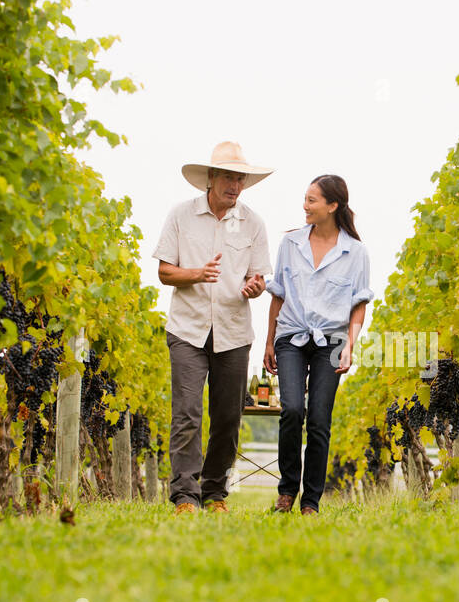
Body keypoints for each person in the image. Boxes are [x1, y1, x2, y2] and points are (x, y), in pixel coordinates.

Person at [154, 142, 273, 515]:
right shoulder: (180, 216)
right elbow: (164, 271)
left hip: (234, 332)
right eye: (228, 177)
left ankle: (215, 493)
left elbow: (258, 277)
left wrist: (255, 287)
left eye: (241, 179)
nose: (235, 185)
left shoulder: (253, 223)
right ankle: (184, 497)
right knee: (187, 413)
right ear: (210, 178)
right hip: (187, 330)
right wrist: (196, 274)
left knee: (227, 416)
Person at [263, 174, 373, 515]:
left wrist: (350, 345)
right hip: (291, 335)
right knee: (292, 409)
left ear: (332, 205)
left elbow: (359, 305)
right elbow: (278, 295)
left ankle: (311, 501)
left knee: (319, 419)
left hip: (333, 340)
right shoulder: (290, 244)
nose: (305, 206)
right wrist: (269, 341)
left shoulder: (355, 252)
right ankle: (286, 491)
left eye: (312, 200)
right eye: (305, 199)